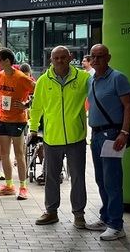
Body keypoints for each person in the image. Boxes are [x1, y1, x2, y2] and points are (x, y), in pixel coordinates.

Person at [31, 46, 90, 228]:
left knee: (78, 177)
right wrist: (33, 129)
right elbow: (37, 107)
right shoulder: (43, 81)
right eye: (56, 58)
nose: (60, 61)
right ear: (51, 59)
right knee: (51, 177)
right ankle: (51, 212)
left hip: (76, 138)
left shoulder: (83, 78)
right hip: (52, 138)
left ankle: (79, 214)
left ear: (70, 57)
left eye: (63, 57)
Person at [85, 44, 130, 241]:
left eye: (100, 56)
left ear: (109, 57)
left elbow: (129, 106)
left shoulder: (118, 78)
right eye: (93, 57)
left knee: (112, 181)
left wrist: (124, 132)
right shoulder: (91, 80)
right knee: (101, 180)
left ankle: (116, 224)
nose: (96, 60)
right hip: (96, 135)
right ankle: (106, 218)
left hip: (112, 134)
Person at [0, 48, 34, 200]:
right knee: (4, 153)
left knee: (19, 154)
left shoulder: (21, 77)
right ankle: (9, 185)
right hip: (3, 119)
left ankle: (23, 187)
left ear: (7, 61)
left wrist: (26, 104)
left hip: (18, 120)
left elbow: (37, 91)